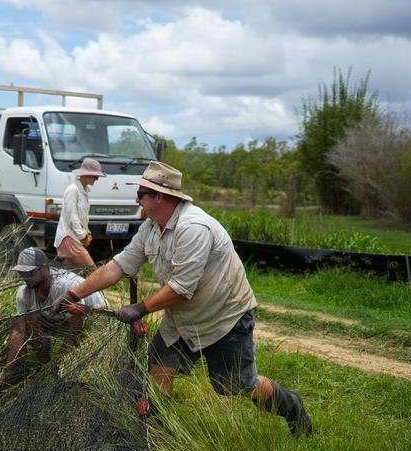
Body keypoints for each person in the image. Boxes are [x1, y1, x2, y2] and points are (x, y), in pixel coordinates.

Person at [60, 161, 312, 435]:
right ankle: (154, 436)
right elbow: (117, 267)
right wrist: (73, 294)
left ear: (160, 196)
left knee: (237, 386)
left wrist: (141, 308)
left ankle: (292, 406)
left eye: (141, 193)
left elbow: (181, 288)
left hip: (224, 319)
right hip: (181, 318)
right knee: (159, 365)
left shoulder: (194, 228)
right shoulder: (150, 228)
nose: (136, 199)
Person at [1, 247, 107, 383]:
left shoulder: (66, 286)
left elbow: (76, 330)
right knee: (31, 319)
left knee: (79, 374)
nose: (25, 277)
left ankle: (55, 371)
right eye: (22, 273)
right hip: (61, 319)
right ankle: (43, 367)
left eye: (29, 273)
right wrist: (8, 370)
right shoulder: (24, 292)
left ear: (45, 268)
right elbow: (18, 332)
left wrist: (58, 365)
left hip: (95, 321)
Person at [53, 157, 105, 268]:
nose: (97, 179)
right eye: (95, 176)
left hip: (75, 238)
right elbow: (72, 217)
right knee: (91, 271)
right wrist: (83, 236)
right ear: (86, 175)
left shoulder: (85, 191)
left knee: (73, 277)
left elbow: (83, 218)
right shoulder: (73, 190)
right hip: (68, 237)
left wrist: (87, 233)